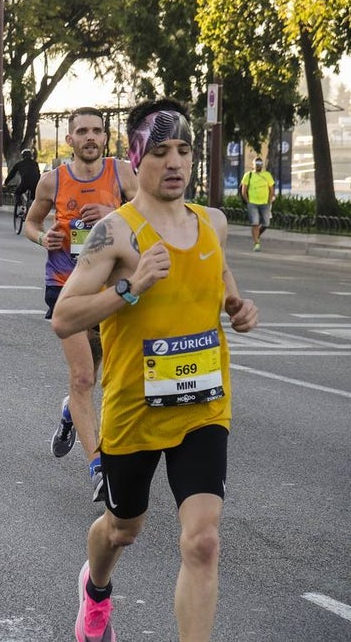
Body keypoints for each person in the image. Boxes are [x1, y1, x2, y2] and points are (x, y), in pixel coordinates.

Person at [52, 99, 258, 642]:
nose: (174, 163)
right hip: (135, 410)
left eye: (184, 150)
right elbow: (64, 316)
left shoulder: (213, 223)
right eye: (161, 150)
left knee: (203, 541)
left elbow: (220, 280)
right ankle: (96, 590)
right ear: (135, 156)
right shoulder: (116, 233)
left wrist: (238, 307)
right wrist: (130, 287)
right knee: (122, 529)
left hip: (203, 406)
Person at [23, 108, 138, 502]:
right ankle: (98, 468)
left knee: (99, 373)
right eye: (82, 131)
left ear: (105, 137)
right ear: (69, 139)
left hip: (110, 290)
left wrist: (114, 215)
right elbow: (32, 223)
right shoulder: (52, 180)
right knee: (84, 378)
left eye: (97, 131)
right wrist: (43, 239)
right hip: (65, 287)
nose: (90, 137)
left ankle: (70, 411)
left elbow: (150, 219)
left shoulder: (122, 174)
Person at [240, 157, 275, 251]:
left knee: (266, 223)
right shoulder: (248, 175)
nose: (258, 166)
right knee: (255, 223)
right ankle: (257, 243)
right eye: (257, 164)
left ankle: (256, 234)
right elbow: (244, 190)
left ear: (262, 165)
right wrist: (248, 201)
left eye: (260, 164)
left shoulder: (267, 175)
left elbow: (271, 189)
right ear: (253, 165)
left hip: (265, 203)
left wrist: (269, 200)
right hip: (253, 203)